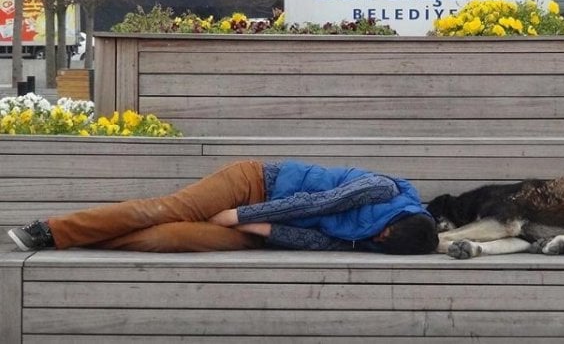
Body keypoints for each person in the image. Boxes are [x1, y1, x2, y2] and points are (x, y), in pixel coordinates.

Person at [7, 160, 438, 255]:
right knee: (164, 210)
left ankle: (87, 235)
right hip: (252, 184)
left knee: (168, 238)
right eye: (386, 234)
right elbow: (316, 201)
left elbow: (321, 241)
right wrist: (244, 214)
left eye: (384, 242)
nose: (379, 237)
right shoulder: (382, 190)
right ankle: (51, 229)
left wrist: (265, 233)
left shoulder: (377, 242)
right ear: (400, 222)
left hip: (260, 228)